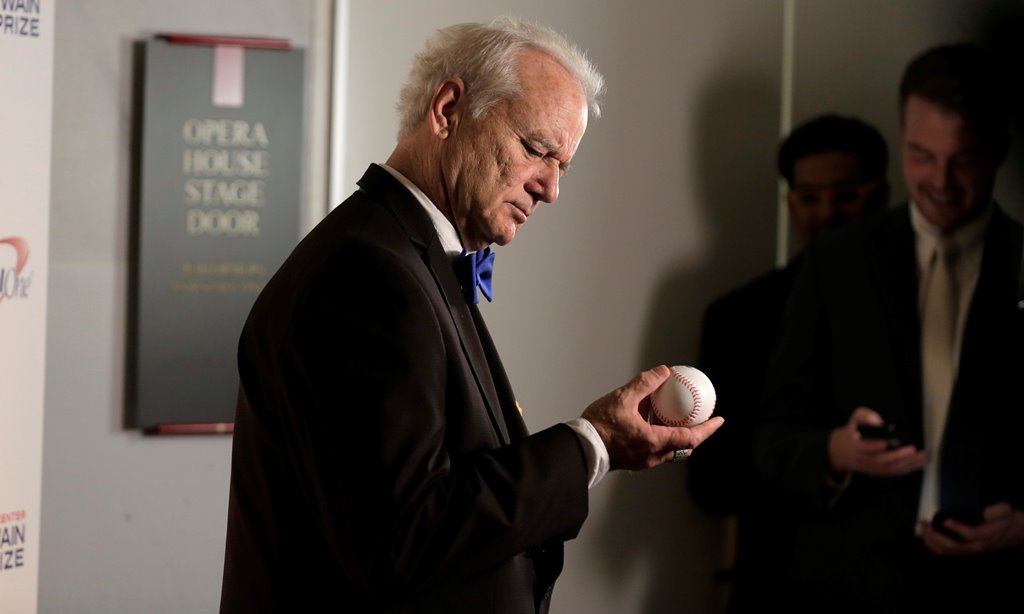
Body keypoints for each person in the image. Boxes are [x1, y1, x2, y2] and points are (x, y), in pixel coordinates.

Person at [218, 16, 723, 614]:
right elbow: (403, 540)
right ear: (448, 108)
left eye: (564, 165)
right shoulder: (365, 276)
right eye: (538, 150)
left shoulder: (404, 259)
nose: (551, 189)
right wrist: (595, 444)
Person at [751, 42, 1024, 612]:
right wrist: (835, 451)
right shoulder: (837, 262)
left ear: (1000, 149)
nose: (942, 180)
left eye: (964, 158)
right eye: (922, 155)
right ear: (902, 139)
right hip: (848, 587)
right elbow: (770, 438)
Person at [686, 114, 889, 612]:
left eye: (846, 195)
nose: (826, 214)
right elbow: (710, 483)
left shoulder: (921, 305)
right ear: (789, 202)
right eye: (809, 198)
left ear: (881, 197)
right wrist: (818, 457)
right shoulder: (737, 318)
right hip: (775, 586)